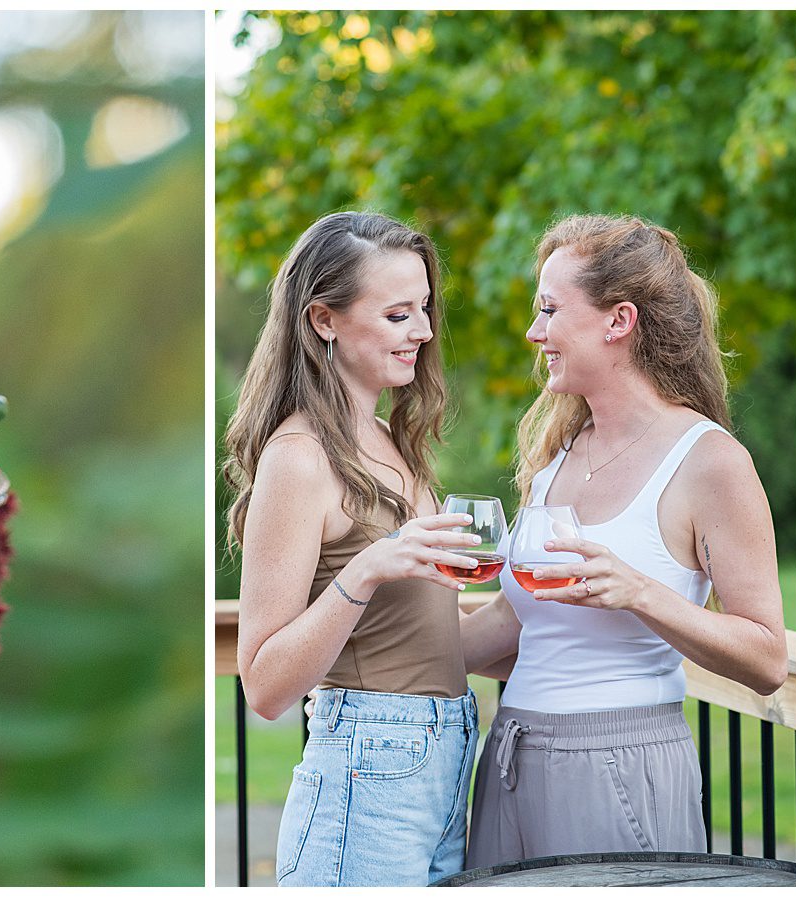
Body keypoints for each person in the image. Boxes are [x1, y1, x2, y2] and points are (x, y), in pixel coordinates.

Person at [459, 214, 788, 868]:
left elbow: (767, 656)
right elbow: (515, 622)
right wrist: (377, 626)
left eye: (550, 309)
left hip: (619, 764)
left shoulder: (710, 461)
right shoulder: (557, 453)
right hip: (511, 756)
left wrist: (639, 592)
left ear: (619, 321)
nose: (534, 332)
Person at [224, 211, 483, 886]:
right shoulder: (299, 458)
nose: (424, 332)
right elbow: (265, 683)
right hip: (372, 765)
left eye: (424, 309)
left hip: (444, 756)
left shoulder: (390, 443)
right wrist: (365, 571)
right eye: (399, 314)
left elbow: (433, 638)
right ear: (323, 319)